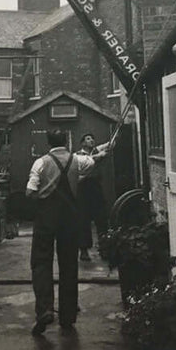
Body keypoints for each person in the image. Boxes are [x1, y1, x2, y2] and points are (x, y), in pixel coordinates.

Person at [25, 128, 97, 336]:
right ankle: (67, 316)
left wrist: (43, 193)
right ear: (66, 141)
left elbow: (30, 192)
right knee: (68, 264)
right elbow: (91, 163)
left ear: (48, 142)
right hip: (69, 218)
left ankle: (45, 310)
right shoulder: (78, 160)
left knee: (41, 262)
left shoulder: (40, 163)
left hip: (46, 217)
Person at [76, 133, 110, 262]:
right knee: (83, 219)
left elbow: (109, 145)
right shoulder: (78, 155)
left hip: (96, 187)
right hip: (83, 188)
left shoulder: (97, 150)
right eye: (88, 139)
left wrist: (113, 139)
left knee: (101, 218)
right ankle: (84, 250)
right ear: (83, 143)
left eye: (93, 138)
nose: (92, 140)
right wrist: (99, 156)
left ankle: (104, 248)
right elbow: (88, 161)